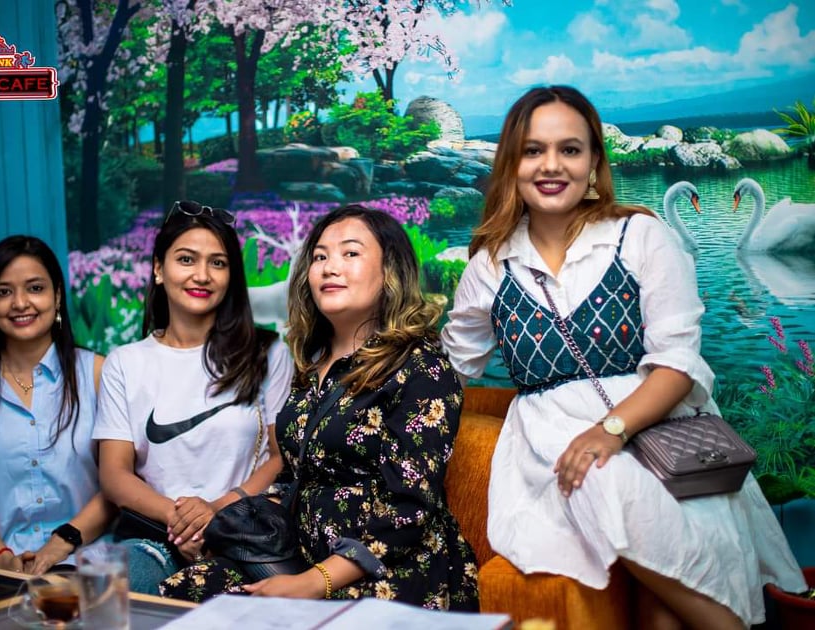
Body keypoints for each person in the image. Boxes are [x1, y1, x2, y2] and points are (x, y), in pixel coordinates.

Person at [440, 85, 806, 628]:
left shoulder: (641, 236)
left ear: (594, 161)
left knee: (666, 605)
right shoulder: (490, 267)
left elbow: (678, 363)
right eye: (533, 150)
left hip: (662, 433)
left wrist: (610, 430)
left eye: (570, 149)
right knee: (603, 483)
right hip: (555, 442)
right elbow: (450, 367)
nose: (551, 165)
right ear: (511, 163)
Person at [160, 204, 479, 610]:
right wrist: (220, 529)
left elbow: (409, 508)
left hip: (388, 569)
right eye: (320, 257)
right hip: (299, 555)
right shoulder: (310, 368)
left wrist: (314, 582)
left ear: (390, 271)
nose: (330, 267)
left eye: (350, 253)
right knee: (183, 591)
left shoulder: (422, 368)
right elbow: (295, 478)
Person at [94, 200, 293, 594]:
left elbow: (279, 456)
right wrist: (181, 520)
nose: (202, 275)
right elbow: (114, 476)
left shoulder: (268, 353)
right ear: (158, 269)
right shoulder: (125, 363)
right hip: (157, 536)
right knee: (115, 588)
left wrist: (213, 512)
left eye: (218, 263)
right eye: (186, 259)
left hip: (243, 534)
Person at [0, 235, 111, 574]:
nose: (20, 303)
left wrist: (58, 545)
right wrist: (4, 559)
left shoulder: (97, 374)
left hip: (83, 563)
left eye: (35, 288)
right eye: (3, 292)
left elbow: (117, 485)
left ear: (57, 296)